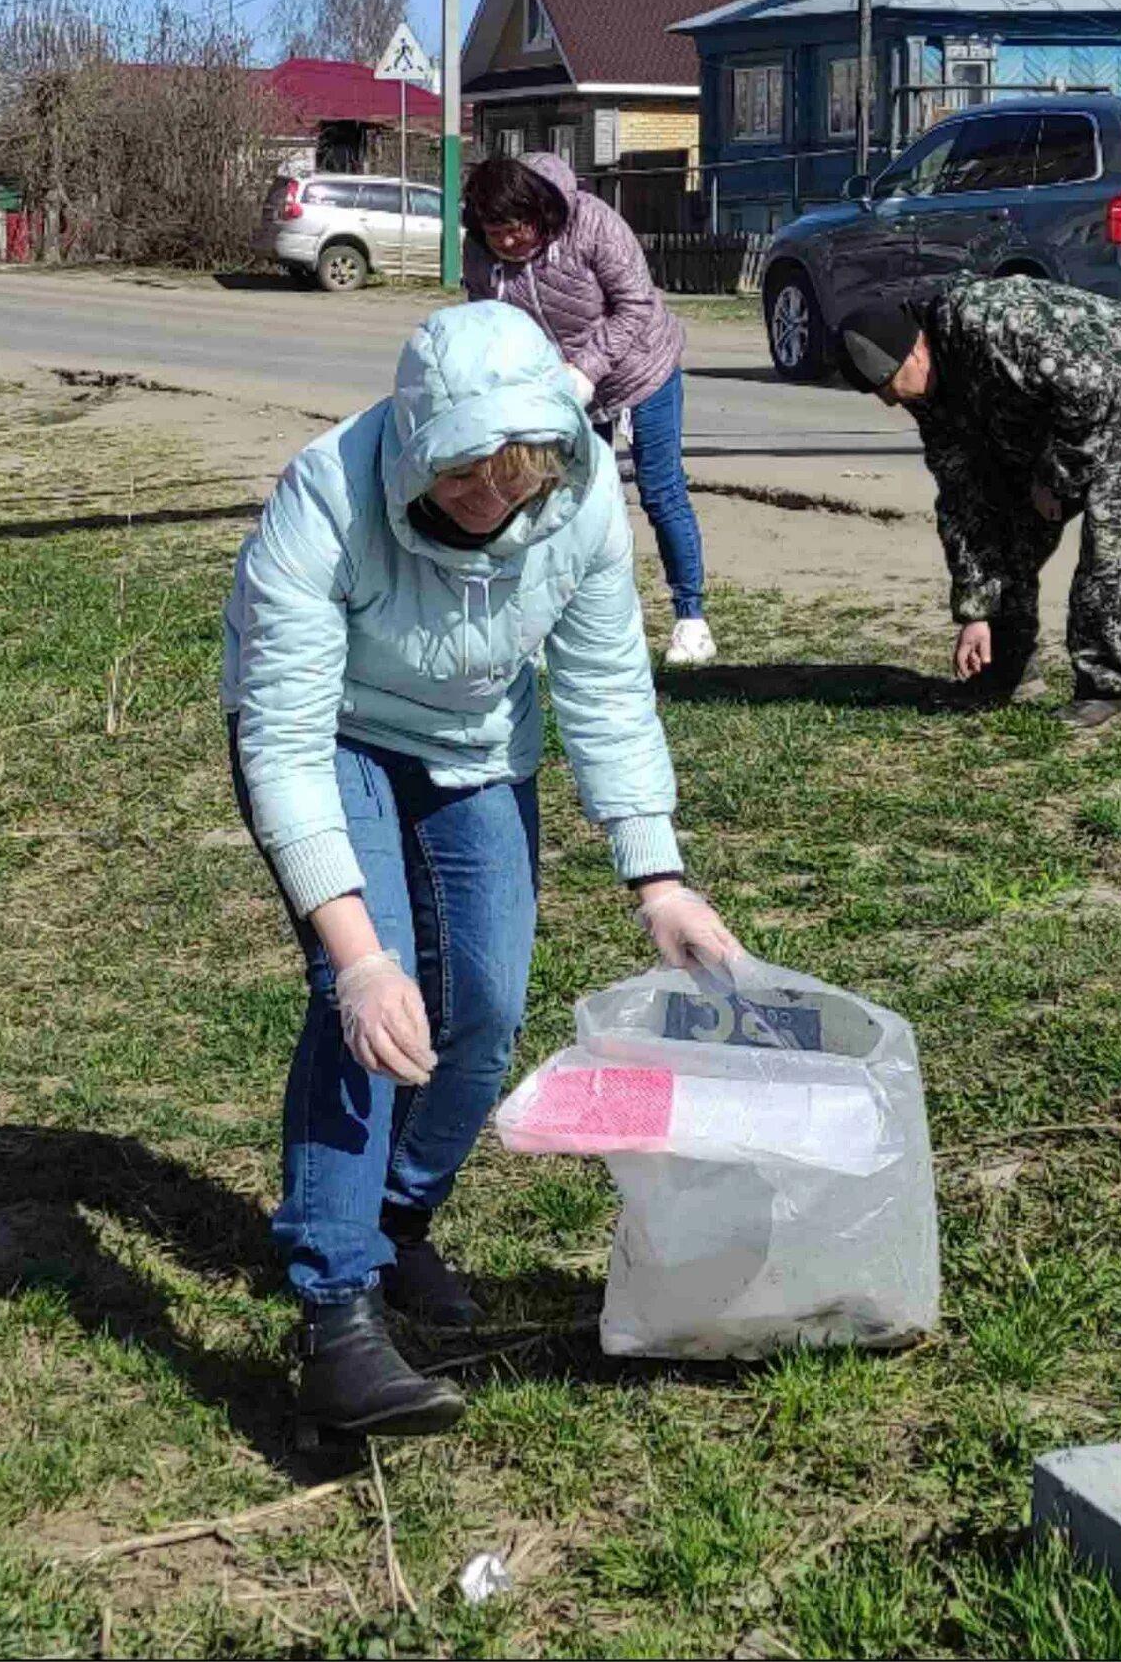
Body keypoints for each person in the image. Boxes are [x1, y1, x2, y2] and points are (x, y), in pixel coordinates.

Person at [223, 302, 747, 1439]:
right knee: (371, 1001)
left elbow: (604, 684)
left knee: (487, 1004)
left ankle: (399, 1221)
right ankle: (335, 1309)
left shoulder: (582, 496)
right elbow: (283, 743)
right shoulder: (326, 496)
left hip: (473, 747)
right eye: (465, 475)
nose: (492, 497)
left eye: (517, 475)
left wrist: (655, 874)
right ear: (415, 445)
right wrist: (356, 958)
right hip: (335, 740)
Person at [836, 281, 1121, 729]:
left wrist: (1055, 480)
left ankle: (1103, 690)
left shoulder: (993, 322)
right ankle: (1007, 666)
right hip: (1058, 412)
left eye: (888, 385)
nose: (889, 400)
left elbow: (1089, 394)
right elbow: (963, 498)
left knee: (1117, 539)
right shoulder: (928, 393)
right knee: (1008, 521)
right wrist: (976, 612)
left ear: (915, 351)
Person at [462, 152, 716, 669]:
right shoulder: (481, 255)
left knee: (661, 489)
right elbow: (484, 322)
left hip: (641, 368)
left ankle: (692, 618)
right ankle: (569, 619)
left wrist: (587, 368)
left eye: (516, 229)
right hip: (561, 389)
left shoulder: (593, 221)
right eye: (495, 233)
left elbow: (636, 304)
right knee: (567, 501)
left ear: (540, 212)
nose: (508, 243)